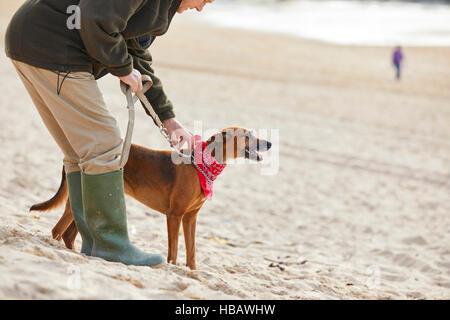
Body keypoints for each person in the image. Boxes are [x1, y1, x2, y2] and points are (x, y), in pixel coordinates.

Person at [5, 0, 214, 267]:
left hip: (35, 41)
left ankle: (93, 241)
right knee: (106, 146)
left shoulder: (164, 4)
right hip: (52, 46)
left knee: (80, 150)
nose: (202, 7)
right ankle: (110, 245)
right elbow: (97, 20)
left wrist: (168, 118)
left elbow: (134, 50)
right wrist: (123, 69)